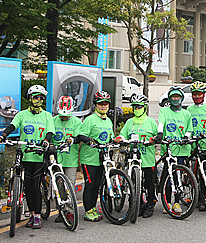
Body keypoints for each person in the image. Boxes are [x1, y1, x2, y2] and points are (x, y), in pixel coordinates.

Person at [1, 85, 55, 229]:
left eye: (41, 98)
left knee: (35, 186)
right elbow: (12, 126)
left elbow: (50, 132)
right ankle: (31, 213)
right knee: (27, 188)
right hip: (25, 155)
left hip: (38, 156)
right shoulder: (22, 114)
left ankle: (37, 215)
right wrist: (4, 135)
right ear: (30, 98)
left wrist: (46, 141)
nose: (38, 100)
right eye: (36, 97)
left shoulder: (47, 115)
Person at [119, 94, 158, 218]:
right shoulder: (129, 122)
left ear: (145, 107)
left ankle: (150, 205)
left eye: (139, 107)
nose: (137, 109)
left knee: (149, 183)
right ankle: (139, 204)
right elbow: (123, 134)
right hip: (133, 158)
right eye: (134, 107)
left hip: (147, 159)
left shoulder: (151, 122)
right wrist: (120, 139)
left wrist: (154, 139)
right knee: (135, 183)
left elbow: (158, 136)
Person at [156, 86, 193, 214]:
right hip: (168, 148)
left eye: (177, 97)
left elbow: (189, 129)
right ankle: (167, 202)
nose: (175, 99)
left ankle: (177, 202)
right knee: (167, 176)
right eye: (173, 97)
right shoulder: (164, 111)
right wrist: (160, 133)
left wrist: (186, 138)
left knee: (177, 176)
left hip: (181, 149)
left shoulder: (186, 113)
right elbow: (161, 122)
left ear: (181, 98)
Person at [78, 91, 114, 222]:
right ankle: (88, 210)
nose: (103, 106)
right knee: (90, 184)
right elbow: (81, 135)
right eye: (100, 104)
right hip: (90, 158)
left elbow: (111, 137)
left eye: (105, 104)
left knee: (98, 184)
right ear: (95, 105)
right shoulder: (90, 120)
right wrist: (90, 141)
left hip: (102, 159)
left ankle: (93, 207)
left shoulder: (108, 120)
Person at [52, 95, 82, 222]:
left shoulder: (77, 122)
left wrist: (73, 140)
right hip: (56, 159)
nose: (63, 116)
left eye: (66, 114)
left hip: (71, 159)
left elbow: (79, 137)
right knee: (59, 186)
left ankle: (70, 211)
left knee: (70, 184)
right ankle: (61, 211)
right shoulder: (53, 120)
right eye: (62, 114)